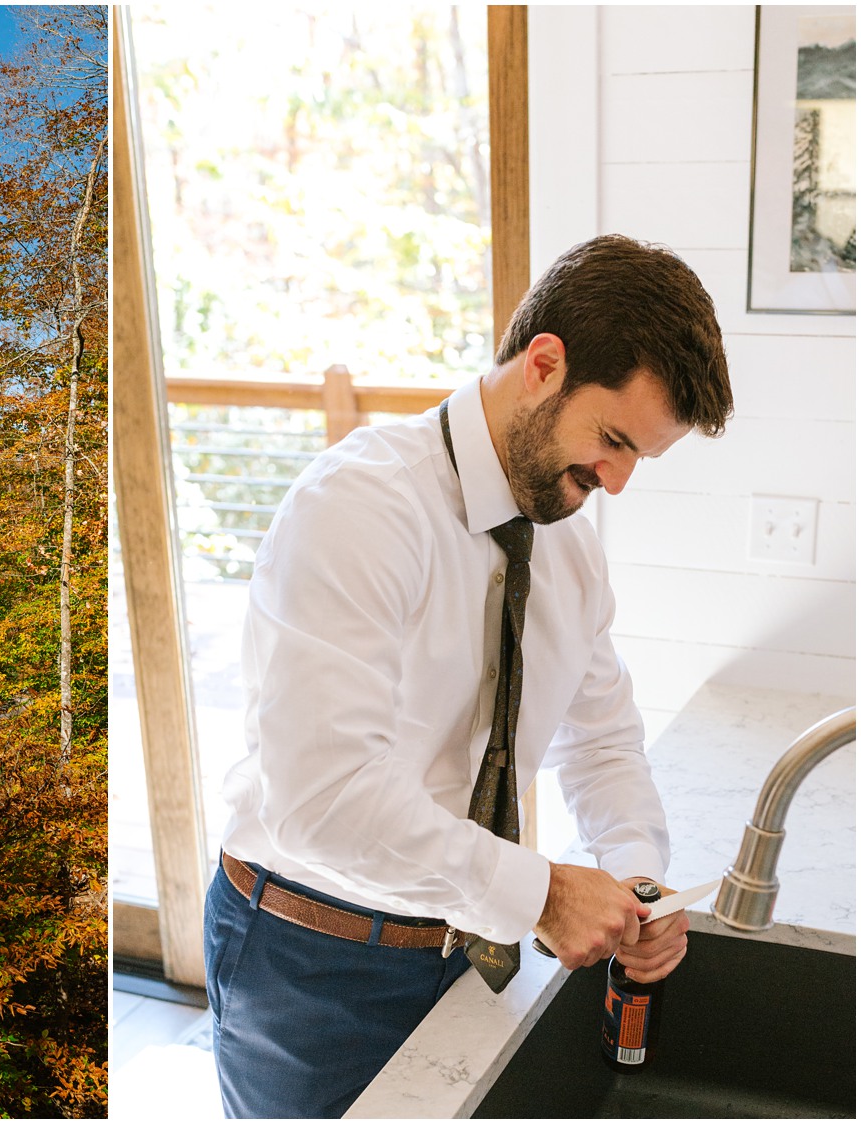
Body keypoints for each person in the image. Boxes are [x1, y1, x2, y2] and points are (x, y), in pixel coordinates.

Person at [204, 234, 734, 1119]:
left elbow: (601, 738)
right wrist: (542, 892)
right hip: (313, 961)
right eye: (613, 440)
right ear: (543, 363)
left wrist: (639, 878)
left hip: (469, 954)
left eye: (641, 456)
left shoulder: (571, 543)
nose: (617, 480)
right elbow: (322, 796)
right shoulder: (358, 510)